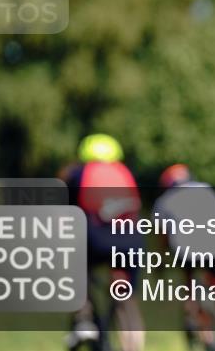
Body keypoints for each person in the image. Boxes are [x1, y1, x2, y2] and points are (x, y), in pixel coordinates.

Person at [62, 133, 145, 351]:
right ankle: (133, 344)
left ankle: (84, 318)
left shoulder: (81, 173)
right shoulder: (125, 172)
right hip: (132, 241)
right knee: (126, 295)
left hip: (97, 238)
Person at [152, 164, 215, 351]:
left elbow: (163, 237)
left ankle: (206, 337)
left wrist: (160, 261)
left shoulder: (164, 201)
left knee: (191, 290)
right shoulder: (206, 189)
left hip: (188, 250)